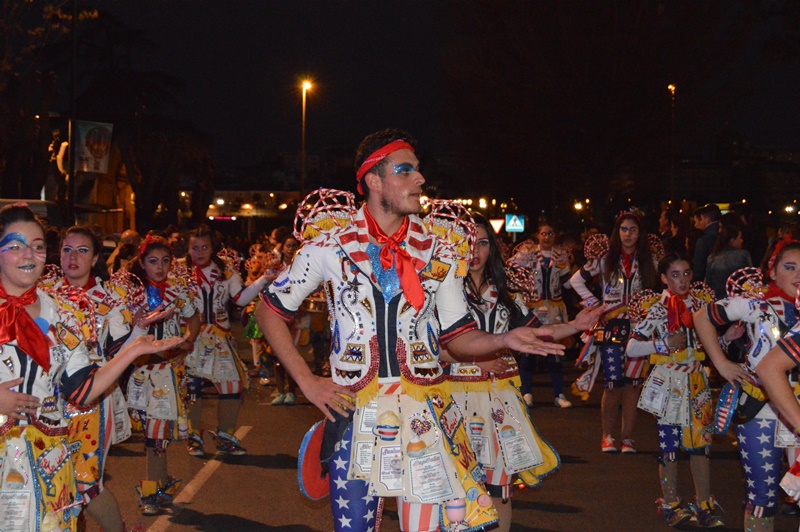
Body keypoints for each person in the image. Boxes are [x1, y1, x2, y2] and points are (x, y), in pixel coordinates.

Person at [256, 129, 573, 532]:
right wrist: (306, 380)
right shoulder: (328, 245)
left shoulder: (440, 249)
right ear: (374, 180)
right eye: (405, 171)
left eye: (419, 171)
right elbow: (269, 311)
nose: (420, 180)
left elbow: (457, 336)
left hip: (425, 412)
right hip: (353, 411)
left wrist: (503, 339)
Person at [0, 204, 183, 531]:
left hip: (47, 454)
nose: (29, 254)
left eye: (38, 246)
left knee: (77, 495)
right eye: (15, 245)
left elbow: (82, 389)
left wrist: (134, 348)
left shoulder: (61, 311)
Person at [445, 214, 599, 532]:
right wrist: (475, 360)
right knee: (457, 491)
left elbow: (536, 334)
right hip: (455, 399)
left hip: (500, 402)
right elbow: (429, 348)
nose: (475, 250)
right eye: (468, 242)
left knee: (501, 490)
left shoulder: (508, 297)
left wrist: (574, 325)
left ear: (492, 250)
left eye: (483, 242)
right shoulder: (440, 293)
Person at [627, 253, 725, 527]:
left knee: (701, 445)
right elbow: (632, 347)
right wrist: (663, 344)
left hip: (696, 382)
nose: (682, 280)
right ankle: (670, 503)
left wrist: (727, 338)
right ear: (663, 278)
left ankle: (704, 503)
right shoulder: (657, 309)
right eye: (675, 275)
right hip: (669, 385)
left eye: (686, 274)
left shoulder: (701, 307)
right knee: (669, 446)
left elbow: (710, 345)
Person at [714, 241, 800, 531]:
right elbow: (703, 316)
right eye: (790, 267)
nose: (798, 275)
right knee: (763, 497)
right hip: (762, 408)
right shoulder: (756, 304)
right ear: (772, 272)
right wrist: (722, 363)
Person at [569, 209, 659, 453]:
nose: (627, 234)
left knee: (633, 384)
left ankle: (627, 438)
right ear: (617, 232)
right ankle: (607, 436)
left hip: (640, 329)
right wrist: (595, 304)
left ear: (640, 234)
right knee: (612, 383)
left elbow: (659, 292)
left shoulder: (651, 261)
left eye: (633, 230)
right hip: (611, 327)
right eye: (623, 229)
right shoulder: (605, 258)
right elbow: (576, 280)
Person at [127, 235, 201, 515]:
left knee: (155, 436)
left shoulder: (178, 292)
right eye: (153, 261)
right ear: (142, 263)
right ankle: (160, 484)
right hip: (140, 372)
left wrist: (188, 342)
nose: (159, 267)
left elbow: (195, 318)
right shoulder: (132, 293)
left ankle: (152, 491)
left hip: (167, 372)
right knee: (151, 434)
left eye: (165, 261)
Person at [184, 224, 270, 456]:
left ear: (213, 249)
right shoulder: (178, 273)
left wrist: (264, 278)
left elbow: (240, 299)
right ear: (188, 248)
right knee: (193, 390)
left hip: (220, 339)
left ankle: (225, 436)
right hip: (191, 340)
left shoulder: (227, 271)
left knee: (231, 387)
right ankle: (194, 437)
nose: (200, 252)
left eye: (205, 247)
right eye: (195, 248)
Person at [509, 221, 574, 408]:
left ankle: (559, 394)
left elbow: (567, 282)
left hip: (554, 309)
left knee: (555, 352)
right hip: (533, 308)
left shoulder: (561, 255)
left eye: (550, 233)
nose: (547, 237)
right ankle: (527, 392)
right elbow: (511, 270)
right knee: (529, 350)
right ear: (537, 235)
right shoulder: (526, 253)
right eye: (544, 234)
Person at [705, 224, 752, 300]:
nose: (742, 240)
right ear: (732, 241)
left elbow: (708, 283)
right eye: (740, 238)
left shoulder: (712, 258)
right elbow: (751, 280)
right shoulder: (743, 255)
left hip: (718, 299)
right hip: (739, 299)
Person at [692, 203, 722, 283]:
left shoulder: (704, 240)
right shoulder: (725, 233)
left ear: (706, 219)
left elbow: (699, 269)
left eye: (700, 219)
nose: (695, 225)